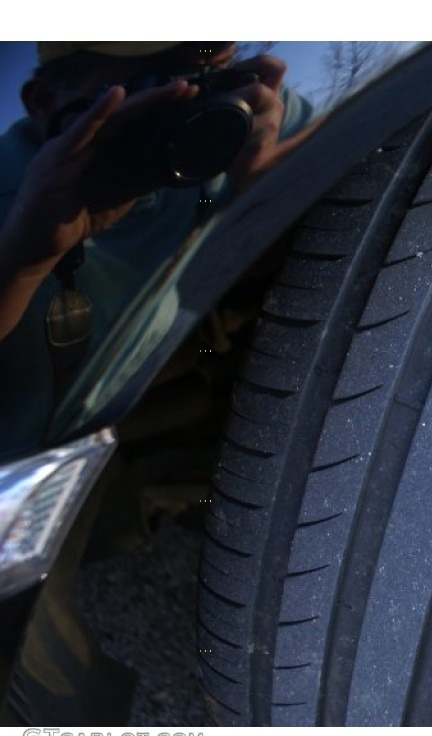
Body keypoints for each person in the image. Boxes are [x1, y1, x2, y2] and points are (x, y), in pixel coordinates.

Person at [0, 42, 315, 454]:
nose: (182, 101)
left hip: (152, 375)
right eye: (151, 86)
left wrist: (279, 179)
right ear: (44, 103)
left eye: (204, 75)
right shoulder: (12, 190)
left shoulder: (230, 110)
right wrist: (24, 260)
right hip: (35, 458)